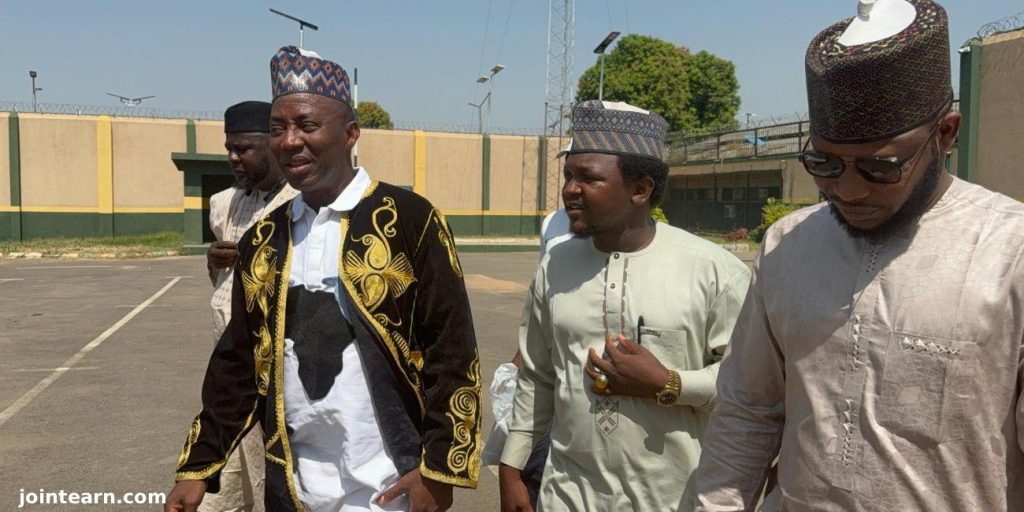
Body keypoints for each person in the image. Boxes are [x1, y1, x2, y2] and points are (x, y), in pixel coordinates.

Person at [695, 1, 1024, 510]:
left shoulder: (1010, 250)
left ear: (945, 134)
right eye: (824, 164)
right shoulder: (788, 246)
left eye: (880, 167)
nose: (846, 190)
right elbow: (747, 411)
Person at [166, 46, 482, 512]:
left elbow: (451, 350)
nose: (289, 141)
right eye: (278, 128)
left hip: (390, 486)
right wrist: (199, 464)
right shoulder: (264, 238)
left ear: (350, 134)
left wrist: (439, 469)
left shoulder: (410, 221)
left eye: (307, 125)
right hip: (293, 486)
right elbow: (239, 360)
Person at [498, 100, 750, 511]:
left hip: (674, 499)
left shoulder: (713, 271)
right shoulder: (556, 265)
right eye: (569, 176)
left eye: (588, 178)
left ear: (640, 189)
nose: (570, 189)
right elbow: (538, 375)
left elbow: (749, 386)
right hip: (567, 495)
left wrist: (669, 383)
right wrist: (512, 467)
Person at [202, 101, 297, 512]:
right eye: (229, 148)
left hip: (278, 371)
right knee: (224, 483)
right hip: (231, 363)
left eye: (243, 149)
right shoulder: (225, 203)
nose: (233, 158)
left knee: (276, 478)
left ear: (273, 145)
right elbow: (221, 284)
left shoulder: (300, 204)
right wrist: (213, 261)